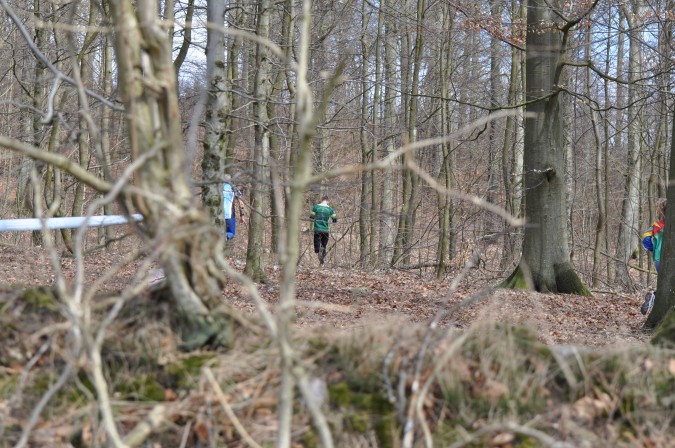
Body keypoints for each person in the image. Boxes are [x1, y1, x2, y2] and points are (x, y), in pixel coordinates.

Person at [640, 198, 666, 315]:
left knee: (665, 283)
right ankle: (654, 297)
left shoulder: (656, 225)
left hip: (657, 259)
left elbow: (645, 238)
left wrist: (653, 249)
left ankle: (653, 298)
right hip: (669, 260)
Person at [310, 196, 337, 265]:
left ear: (321, 200)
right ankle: (322, 257)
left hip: (317, 229)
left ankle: (318, 251)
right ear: (328, 201)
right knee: (324, 245)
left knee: (317, 244)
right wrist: (331, 220)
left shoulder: (315, 207)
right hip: (326, 230)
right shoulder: (330, 209)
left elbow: (311, 218)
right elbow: (334, 220)